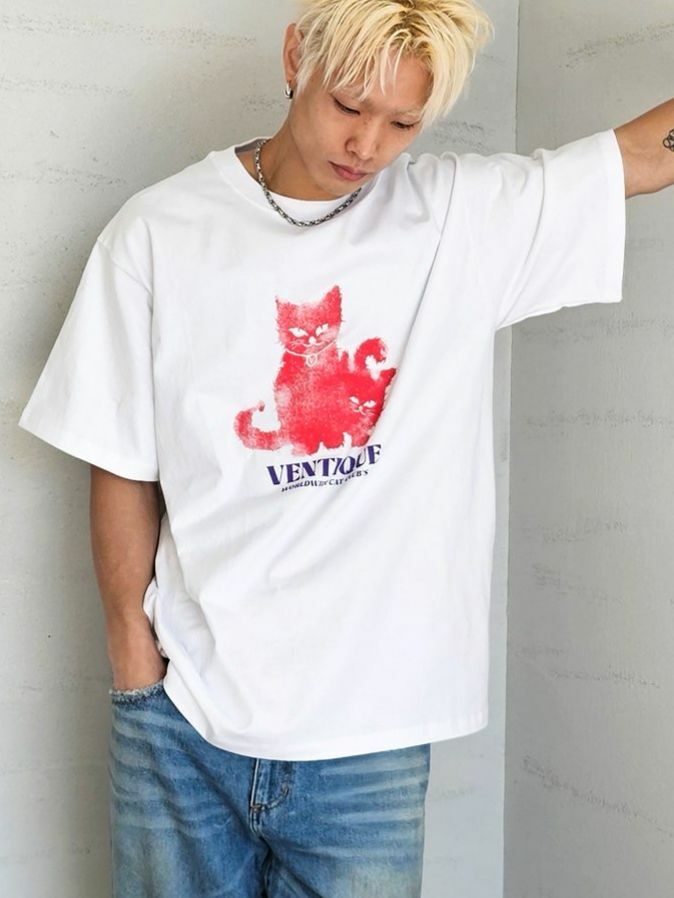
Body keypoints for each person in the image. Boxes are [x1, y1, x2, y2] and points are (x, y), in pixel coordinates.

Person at [16, 0, 674, 895]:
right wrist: (135, 665)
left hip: (371, 741)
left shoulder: (460, 217)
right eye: (348, 105)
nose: (366, 144)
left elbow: (640, 154)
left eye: (403, 122)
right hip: (184, 719)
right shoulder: (160, 232)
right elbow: (120, 457)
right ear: (297, 56)